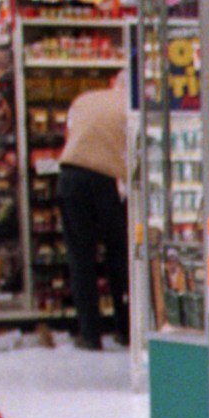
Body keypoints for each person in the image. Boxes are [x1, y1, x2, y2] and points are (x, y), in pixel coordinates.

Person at [57, 74, 131, 350]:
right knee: (119, 257)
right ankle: (125, 329)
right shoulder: (131, 106)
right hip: (108, 182)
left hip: (71, 177)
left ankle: (89, 334)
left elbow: (70, 135)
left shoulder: (83, 100)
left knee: (81, 258)